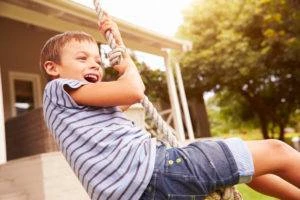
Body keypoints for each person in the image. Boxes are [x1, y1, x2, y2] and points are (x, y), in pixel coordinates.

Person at [40, 14, 300, 200]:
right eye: (82, 58)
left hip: (137, 190)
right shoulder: (57, 89)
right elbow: (134, 89)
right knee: (277, 150)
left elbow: (127, 97)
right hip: (154, 173)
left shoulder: (81, 111)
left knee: (247, 166)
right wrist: (127, 63)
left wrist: (119, 46)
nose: (95, 65)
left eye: (98, 60)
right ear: (53, 68)